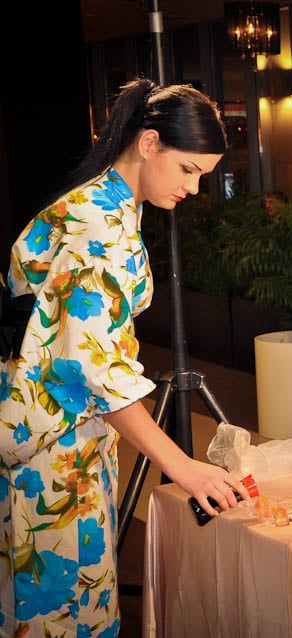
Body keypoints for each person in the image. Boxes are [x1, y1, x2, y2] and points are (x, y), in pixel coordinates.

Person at [0, 79, 251, 635]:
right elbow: (92, 367)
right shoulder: (98, 225)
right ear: (148, 143)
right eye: (187, 169)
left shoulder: (107, 204)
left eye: (202, 177)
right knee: (61, 616)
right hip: (51, 442)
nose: (193, 188)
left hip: (61, 428)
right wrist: (183, 468)